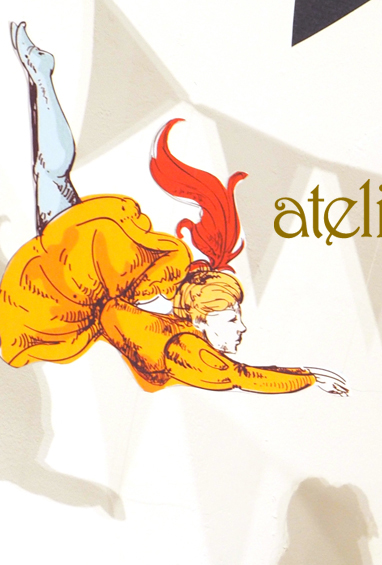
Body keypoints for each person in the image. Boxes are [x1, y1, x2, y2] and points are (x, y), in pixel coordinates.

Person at [0, 23, 346, 396]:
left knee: (50, 174)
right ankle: (41, 74)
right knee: (50, 174)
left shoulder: (172, 330)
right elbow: (239, 376)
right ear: (201, 319)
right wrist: (308, 377)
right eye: (231, 318)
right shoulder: (180, 345)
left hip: (71, 283)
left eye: (235, 317)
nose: (242, 327)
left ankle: (42, 74)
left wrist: (306, 376)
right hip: (63, 290)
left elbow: (235, 374)